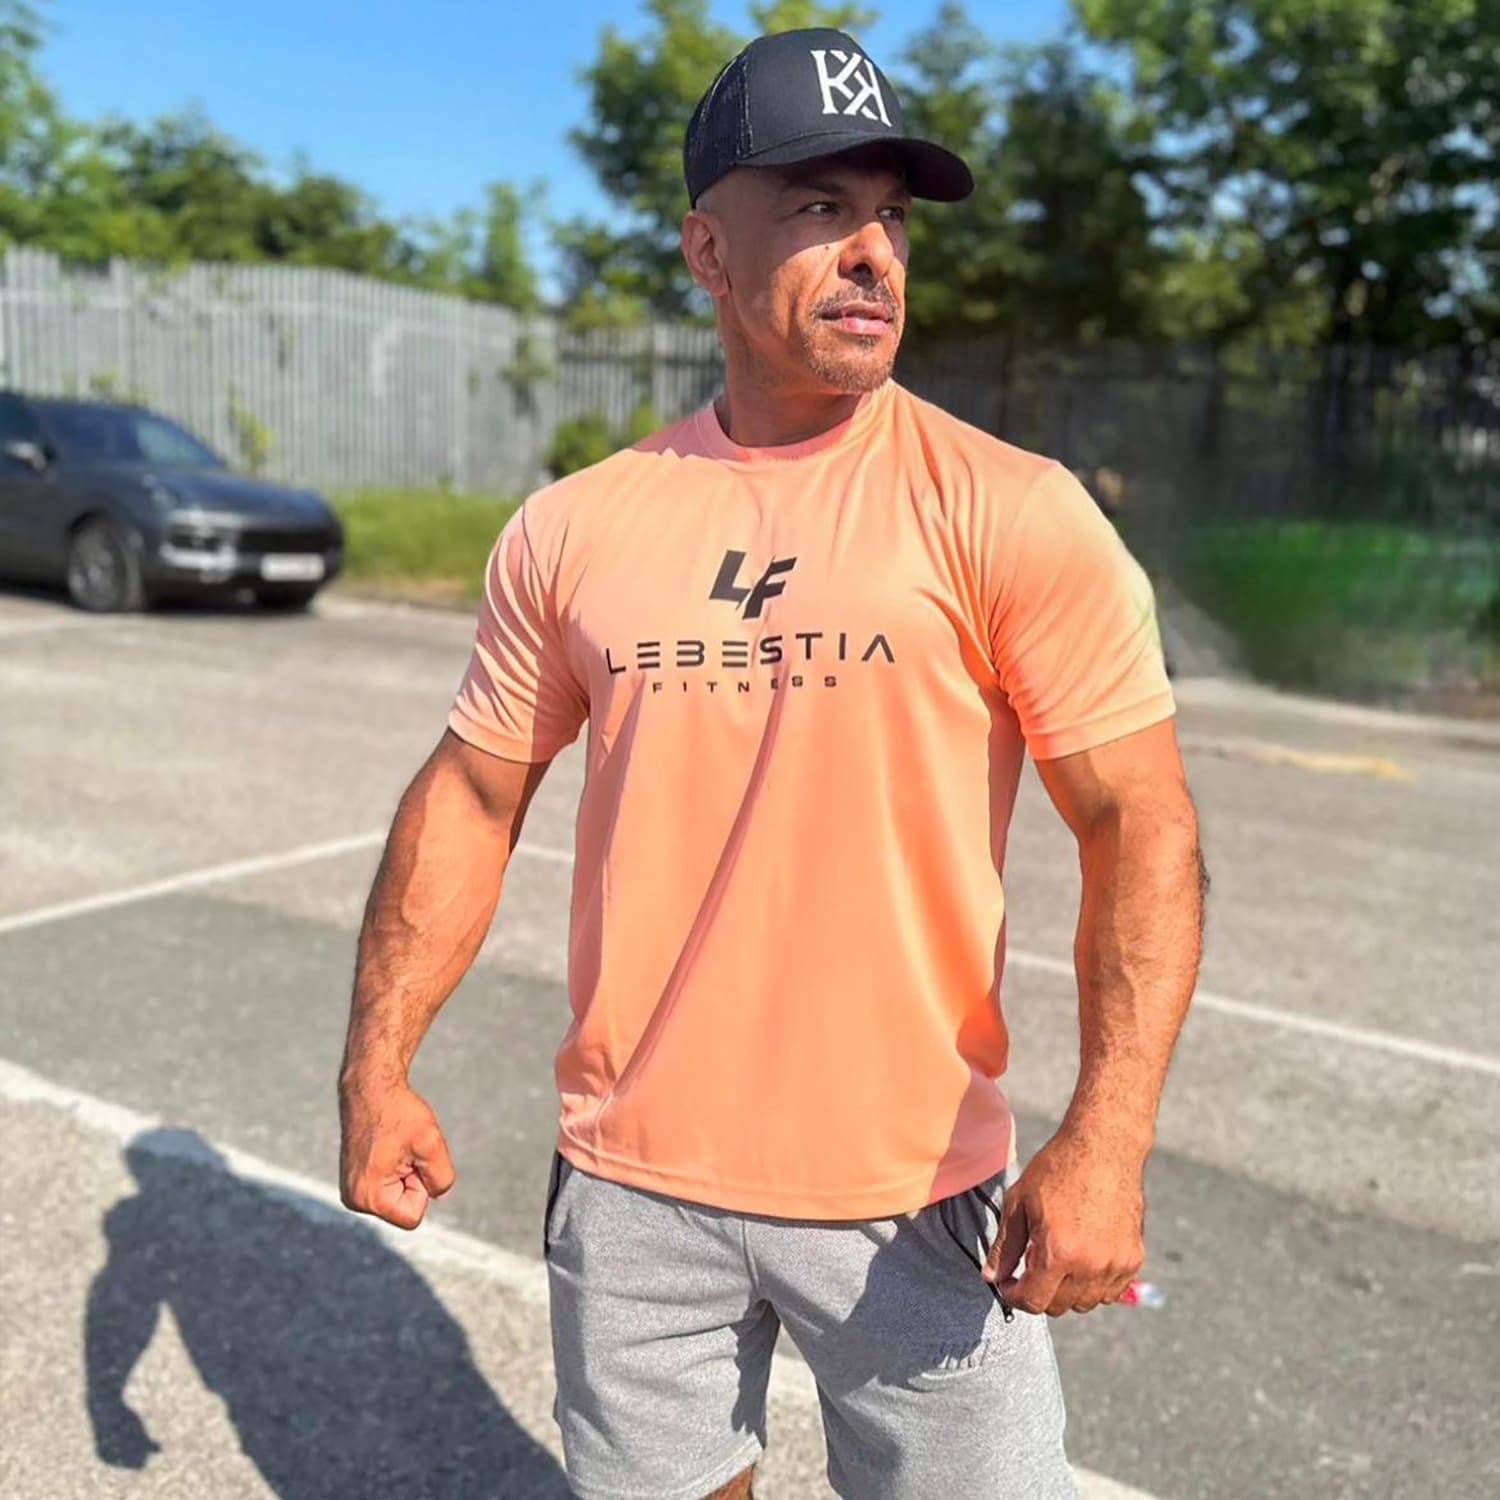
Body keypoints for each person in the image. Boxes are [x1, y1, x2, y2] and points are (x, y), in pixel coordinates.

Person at [338, 27, 1205, 1500]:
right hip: (632, 1184)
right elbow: (474, 793)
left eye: (892, 216)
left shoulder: (1011, 508)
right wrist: (376, 1065)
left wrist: (1108, 1139)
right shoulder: (578, 526)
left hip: (914, 1190)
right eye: (818, 207)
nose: (873, 253)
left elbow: (1143, 824)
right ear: (707, 250)